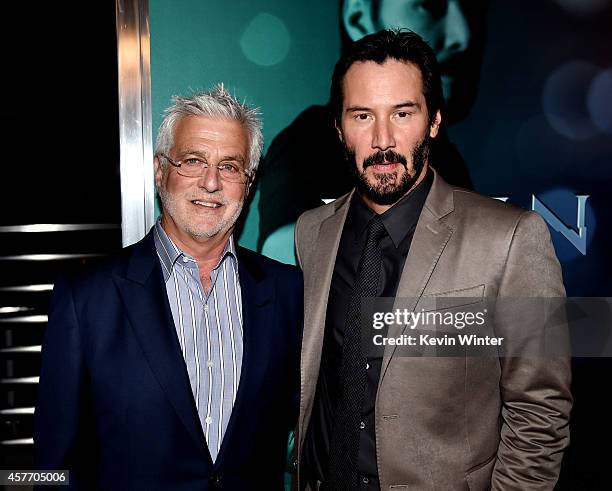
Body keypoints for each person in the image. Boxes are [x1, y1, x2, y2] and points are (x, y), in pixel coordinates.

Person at [295, 30, 571, 490]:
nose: (383, 139)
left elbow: (539, 410)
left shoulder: (512, 238)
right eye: (362, 115)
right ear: (339, 127)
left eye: (403, 113)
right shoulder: (312, 232)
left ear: (435, 121)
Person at [34, 85, 303, 490]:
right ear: (161, 171)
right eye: (193, 161)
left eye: (229, 166)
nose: (211, 183)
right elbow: (51, 465)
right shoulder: (86, 298)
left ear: (248, 184)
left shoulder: (288, 292)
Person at [256, 0, 488, 260]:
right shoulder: (309, 145)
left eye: (475, 10)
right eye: (428, 5)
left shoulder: (446, 158)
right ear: (359, 17)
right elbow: (287, 263)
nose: (464, 36)